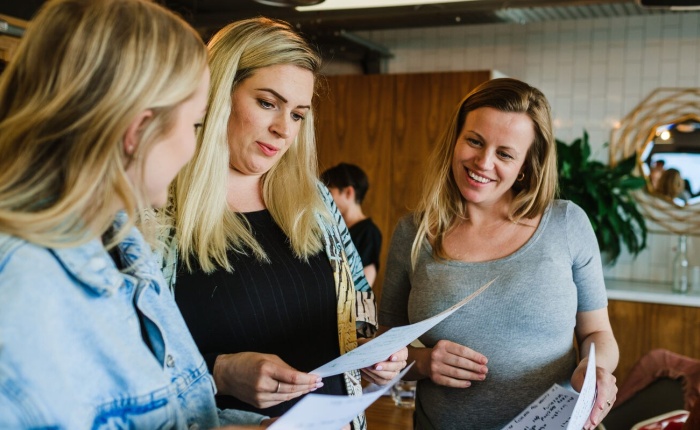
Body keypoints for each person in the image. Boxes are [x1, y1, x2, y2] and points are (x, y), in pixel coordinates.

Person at [0, 0, 267, 427]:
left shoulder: (123, 246)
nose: (195, 146)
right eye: (195, 125)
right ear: (137, 132)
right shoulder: (22, 294)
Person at [157, 17, 407, 429]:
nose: (282, 129)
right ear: (219, 93)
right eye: (267, 103)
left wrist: (375, 347)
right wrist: (218, 372)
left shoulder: (317, 199)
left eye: (298, 114)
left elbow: (359, 301)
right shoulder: (158, 211)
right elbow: (122, 357)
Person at [378, 78, 619, 430]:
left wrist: (595, 368)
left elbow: (598, 333)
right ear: (455, 140)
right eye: (474, 141)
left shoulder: (566, 224)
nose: (483, 162)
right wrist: (423, 362)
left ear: (526, 165)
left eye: (505, 153)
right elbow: (384, 349)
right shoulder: (413, 233)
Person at [321, 163, 382, 286]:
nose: (323, 199)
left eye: (329, 193)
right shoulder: (329, 227)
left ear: (349, 192)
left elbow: (363, 283)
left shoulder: (369, 232)